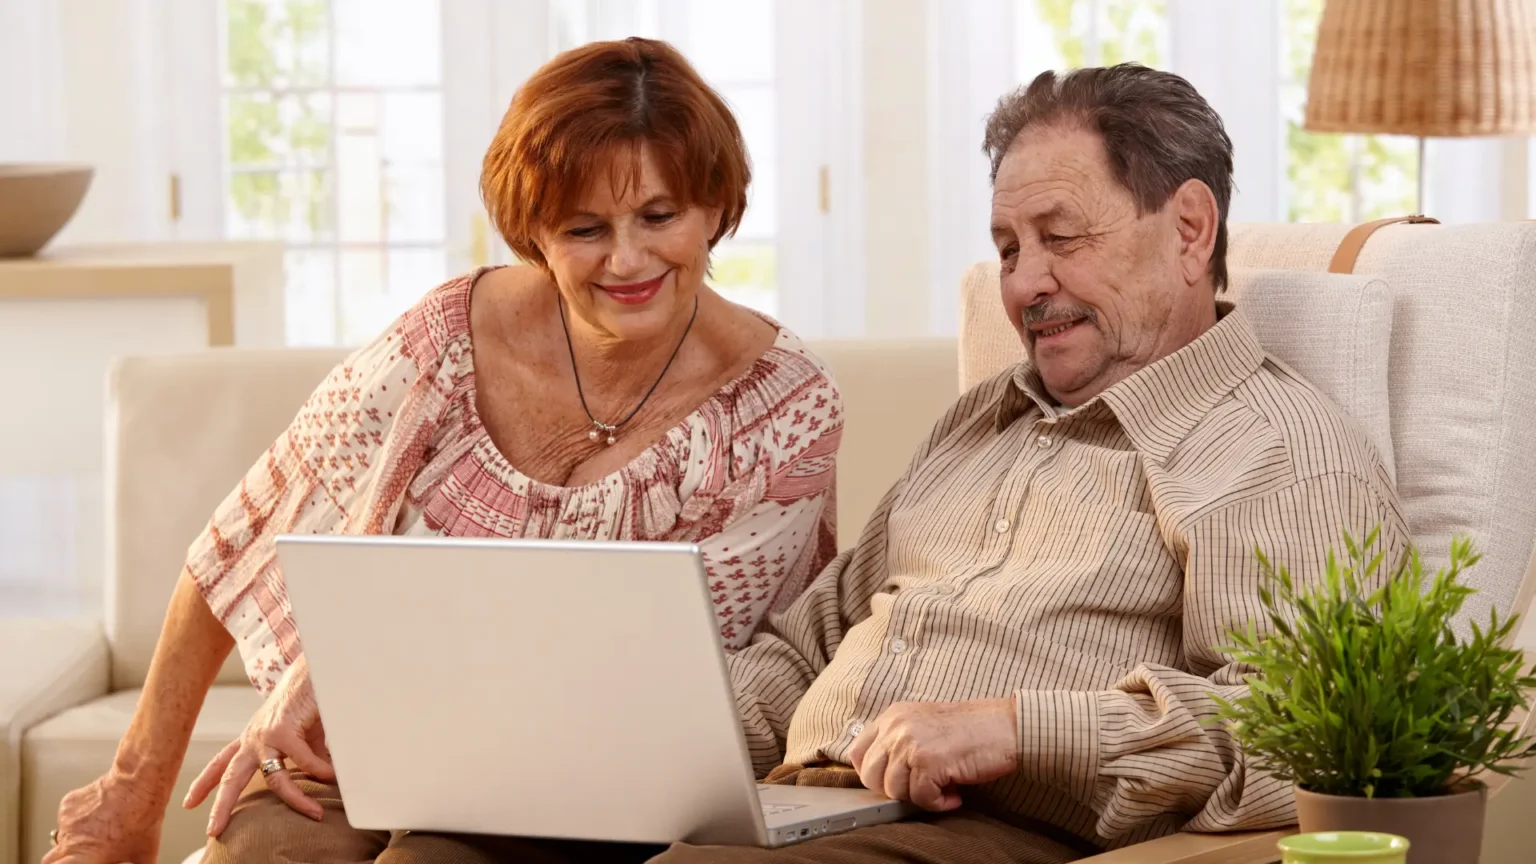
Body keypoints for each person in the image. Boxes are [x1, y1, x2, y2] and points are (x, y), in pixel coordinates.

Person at [354, 63, 1410, 864]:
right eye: (1005, 248)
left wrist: (1014, 731)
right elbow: (814, 634)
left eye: (1061, 237)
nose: (1026, 283)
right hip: (806, 798)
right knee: (448, 848)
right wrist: (632, 736)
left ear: (1189, 227)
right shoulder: (982, 424)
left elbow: (1302, 733)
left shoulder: (1277, 448)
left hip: (984, 831)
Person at [43, 37, 842, 864]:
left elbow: (673, 688)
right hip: (358, 751)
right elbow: (238, 539)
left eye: (659, 215)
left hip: (584, 791)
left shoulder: (784, 411)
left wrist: (371, 679)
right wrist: (129, 793)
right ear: (534, 230)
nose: (627, 259)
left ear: (715, 206)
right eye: (583, 227)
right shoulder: (444, 337)